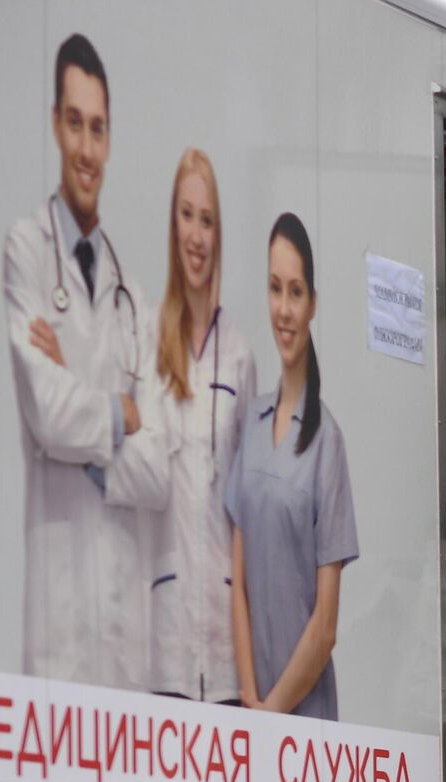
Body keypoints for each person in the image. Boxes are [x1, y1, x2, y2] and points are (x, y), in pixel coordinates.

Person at [4, 33, 169, 689]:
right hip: (61, 619)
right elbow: (46, 412)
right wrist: (123, 412)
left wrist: (86, 414)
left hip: (124, 627)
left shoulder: (134, 295)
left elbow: (160, 469)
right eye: (74, 124)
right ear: (55, 125)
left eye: (97, 128)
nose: (86, 147)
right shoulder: (28, 249)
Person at [225, 213, 356, 720]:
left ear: (313, 303)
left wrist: (273, 710)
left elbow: (325, 624)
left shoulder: (327, 442)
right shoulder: (251, 427)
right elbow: (238, 586)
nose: (282, 309)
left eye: (295, 291)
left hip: (305, 716)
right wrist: (250, 700)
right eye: (275, 289)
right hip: (250, 706)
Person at [147, 149, 257, 704]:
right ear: (172, 225)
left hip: (223, 634)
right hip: (159, 634)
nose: (196, 234)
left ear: (218, 234)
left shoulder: (238, 356)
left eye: (207, 219)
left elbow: (248, 501)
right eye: (186, 216)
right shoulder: (145, 341)